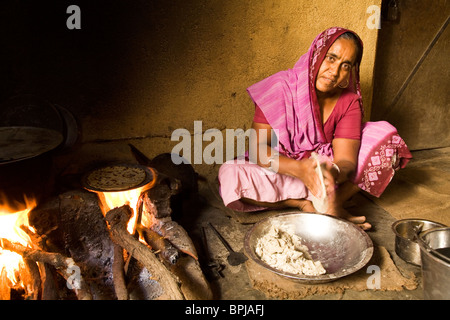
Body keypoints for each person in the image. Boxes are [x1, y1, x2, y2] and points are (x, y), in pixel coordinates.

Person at [218, 27, 412, 230]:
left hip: (325, 174)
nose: (335, 72)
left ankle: (330, 205)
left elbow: (346, 159)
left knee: (388, 143)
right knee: (230, 174)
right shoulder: (278, 88)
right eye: (330, 58)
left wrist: (332, 174)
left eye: (345, 65)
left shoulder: (348, 101)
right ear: (316, 55)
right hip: (283, 168)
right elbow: (259, 149)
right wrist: (300, 170)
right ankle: (300, 203)